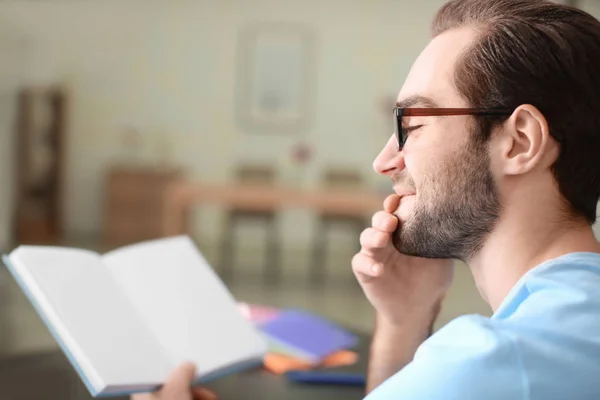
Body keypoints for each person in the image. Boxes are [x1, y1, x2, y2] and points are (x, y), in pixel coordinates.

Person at [132, 0, 600, 398]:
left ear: (519, 142)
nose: (384, 161)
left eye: (411, 125)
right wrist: (405, 320)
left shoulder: (487, 364)